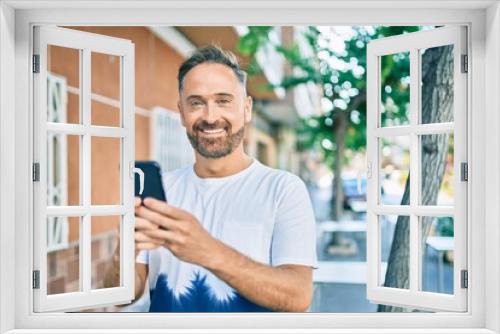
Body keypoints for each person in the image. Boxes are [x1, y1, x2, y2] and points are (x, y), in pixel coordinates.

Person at [105, 45, 317, 312]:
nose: (210, 116)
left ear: (247, 109)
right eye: (196, 103)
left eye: (223, 100)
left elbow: (298, 296)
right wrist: (123, 251)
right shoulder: (162, 191)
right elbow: (121, 296)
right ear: (182, 113)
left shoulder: (283, 189)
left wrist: (206, 250)